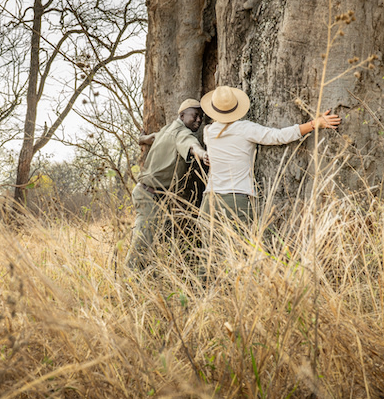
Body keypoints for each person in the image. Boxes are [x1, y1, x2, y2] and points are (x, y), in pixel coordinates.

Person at [198, 85, 341, 226]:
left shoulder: (208, 132)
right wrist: (313, 124)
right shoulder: (245, 129)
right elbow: (278, 136)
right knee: (239, 247)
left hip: (209, 200)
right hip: (236, 199)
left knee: (211, 247)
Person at [126, 98, 209, 270]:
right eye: (195, 116)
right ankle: (127, 282)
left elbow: (154, 136)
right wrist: (201, 153)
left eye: (201, 117)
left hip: (151, 195)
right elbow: (189, 144)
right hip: (150, 196)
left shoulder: (168, 129)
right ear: (182, 115)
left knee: (161, 241)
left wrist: (142, 139)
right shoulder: (182, 133)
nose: (199, 120)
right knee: (143, 243)